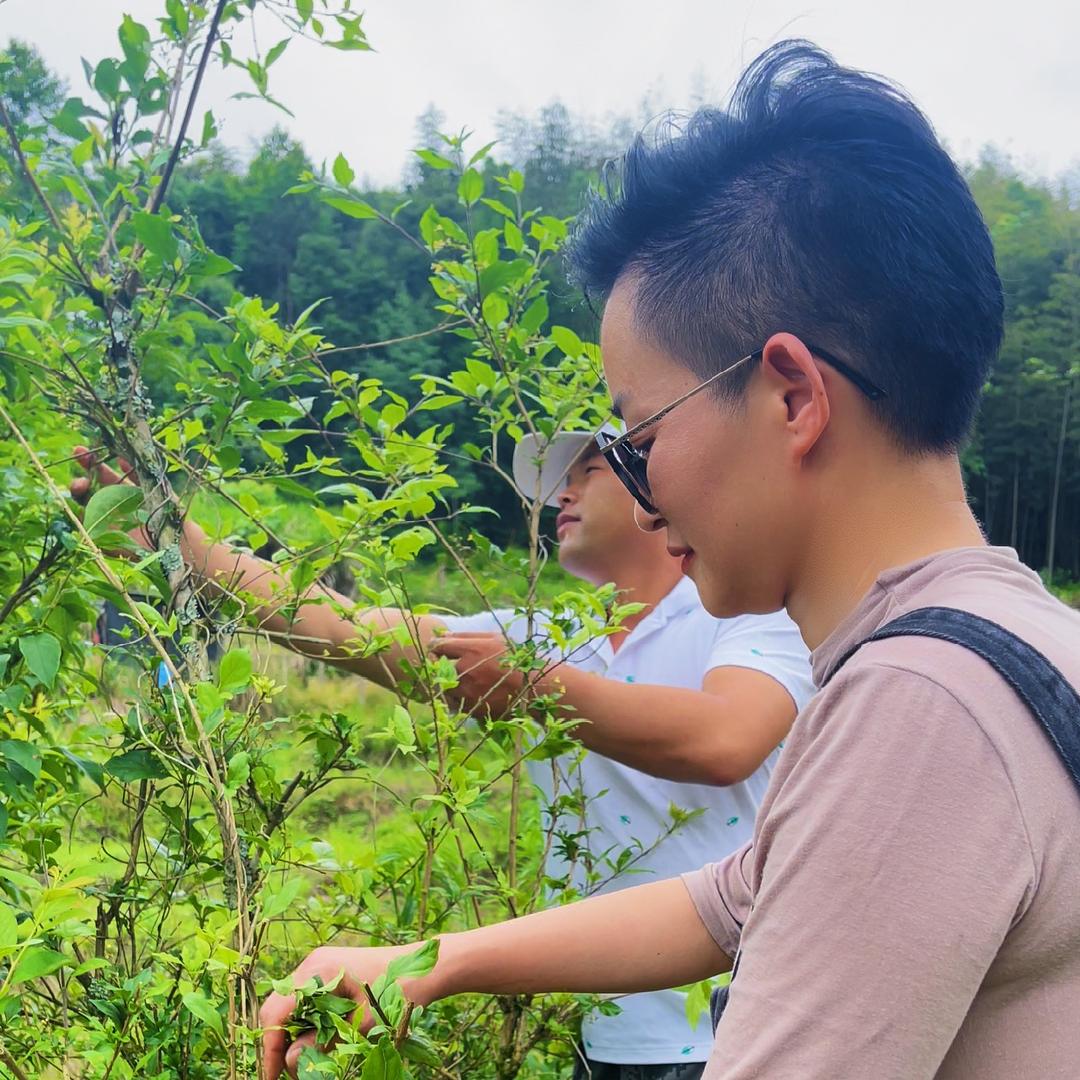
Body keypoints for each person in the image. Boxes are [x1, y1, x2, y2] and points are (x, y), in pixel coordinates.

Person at [257, 39, 1080, 1080]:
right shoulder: (1025, 636)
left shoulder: (922, 709)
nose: (643, 504)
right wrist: (427, 964)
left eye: (639, 441)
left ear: (791, 395)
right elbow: (737, 893)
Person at [72, 433, 812, 1077]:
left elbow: (723, 739)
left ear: (659, 479)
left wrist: (532, 688)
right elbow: (345, 627)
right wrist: (181, 545)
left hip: (734, 1024)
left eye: (589, 468)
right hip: (598, 1021)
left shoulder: (749, 615)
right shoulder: (543, 635)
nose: (563, 492)